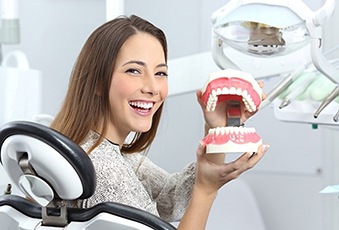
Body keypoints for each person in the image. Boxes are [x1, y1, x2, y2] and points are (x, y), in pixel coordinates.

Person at [50, 14, 269, 229]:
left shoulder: (108, 152)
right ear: (97, 82)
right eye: (134, 71)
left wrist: (216, 129)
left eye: (160, 73)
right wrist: (206, 190)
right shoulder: (104, 168)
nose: (153, 88)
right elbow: (193, 194)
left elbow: (171, 197)